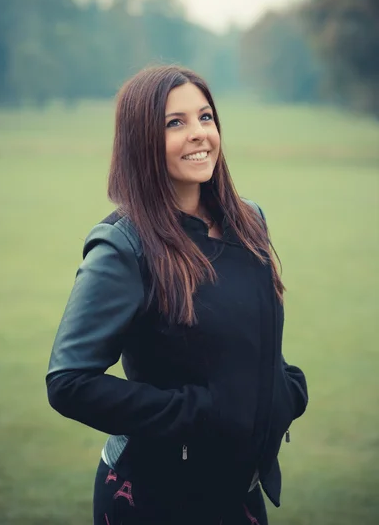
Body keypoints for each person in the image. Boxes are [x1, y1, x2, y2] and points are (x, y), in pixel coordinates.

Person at [46, 65, 308, 525]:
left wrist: (285, 390)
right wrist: (197, 412)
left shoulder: (249, 222)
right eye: (175, 123)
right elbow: (69, 381)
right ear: (141, 140)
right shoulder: (123, 246)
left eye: (205, 117)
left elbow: (252, 335)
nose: (199, 134)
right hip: (151, 498)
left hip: (243, 494)